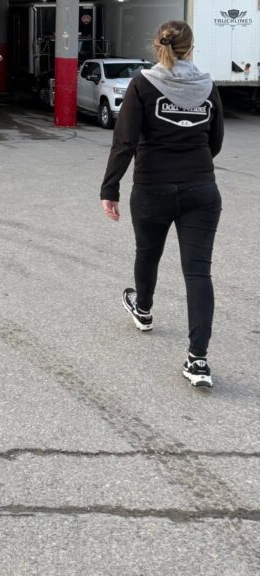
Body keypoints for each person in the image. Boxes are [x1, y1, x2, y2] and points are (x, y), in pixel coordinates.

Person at [100, 20, 224, 389]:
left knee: (148, 252)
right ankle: (198, 360)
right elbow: (215, 141)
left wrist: (110, 188)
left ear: (158, 45)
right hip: (201, 189)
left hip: (152, 186)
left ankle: (144, 310)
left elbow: (125, 141)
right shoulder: (208, 86)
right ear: (191, 48)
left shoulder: (142, 84)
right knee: (198, 273)